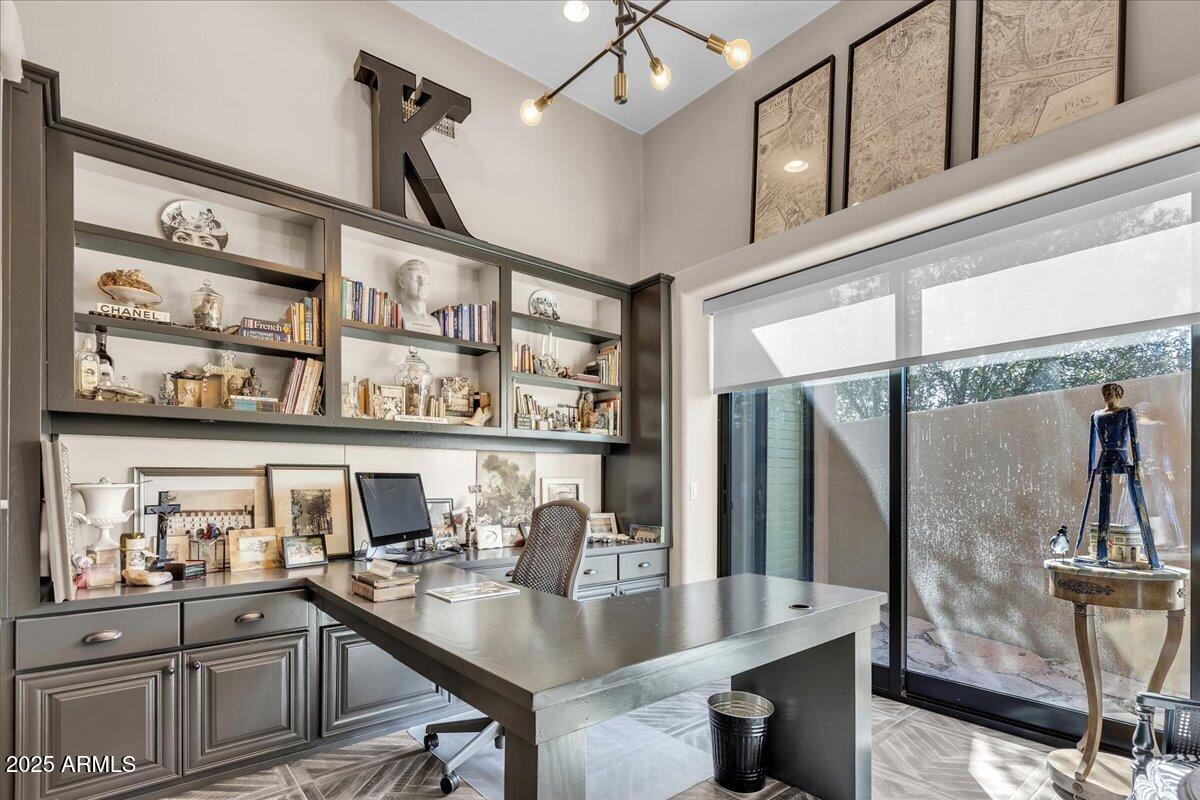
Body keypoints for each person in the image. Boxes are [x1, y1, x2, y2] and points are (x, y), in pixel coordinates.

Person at [1075, 382, 1160, 568]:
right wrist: (1090, 468)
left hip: (1122, 456)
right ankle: (1102, 557)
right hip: (1104, 459)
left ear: (1118, 394)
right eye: (1105, 392)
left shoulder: (1126, 412)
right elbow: (1091, 445)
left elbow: (1134, 439)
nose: (1107, 395)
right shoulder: (1096, 415)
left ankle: (1153, 559)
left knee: (1139, 505)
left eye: (1111, 392)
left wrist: (1138, 463)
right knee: (1103, 507)